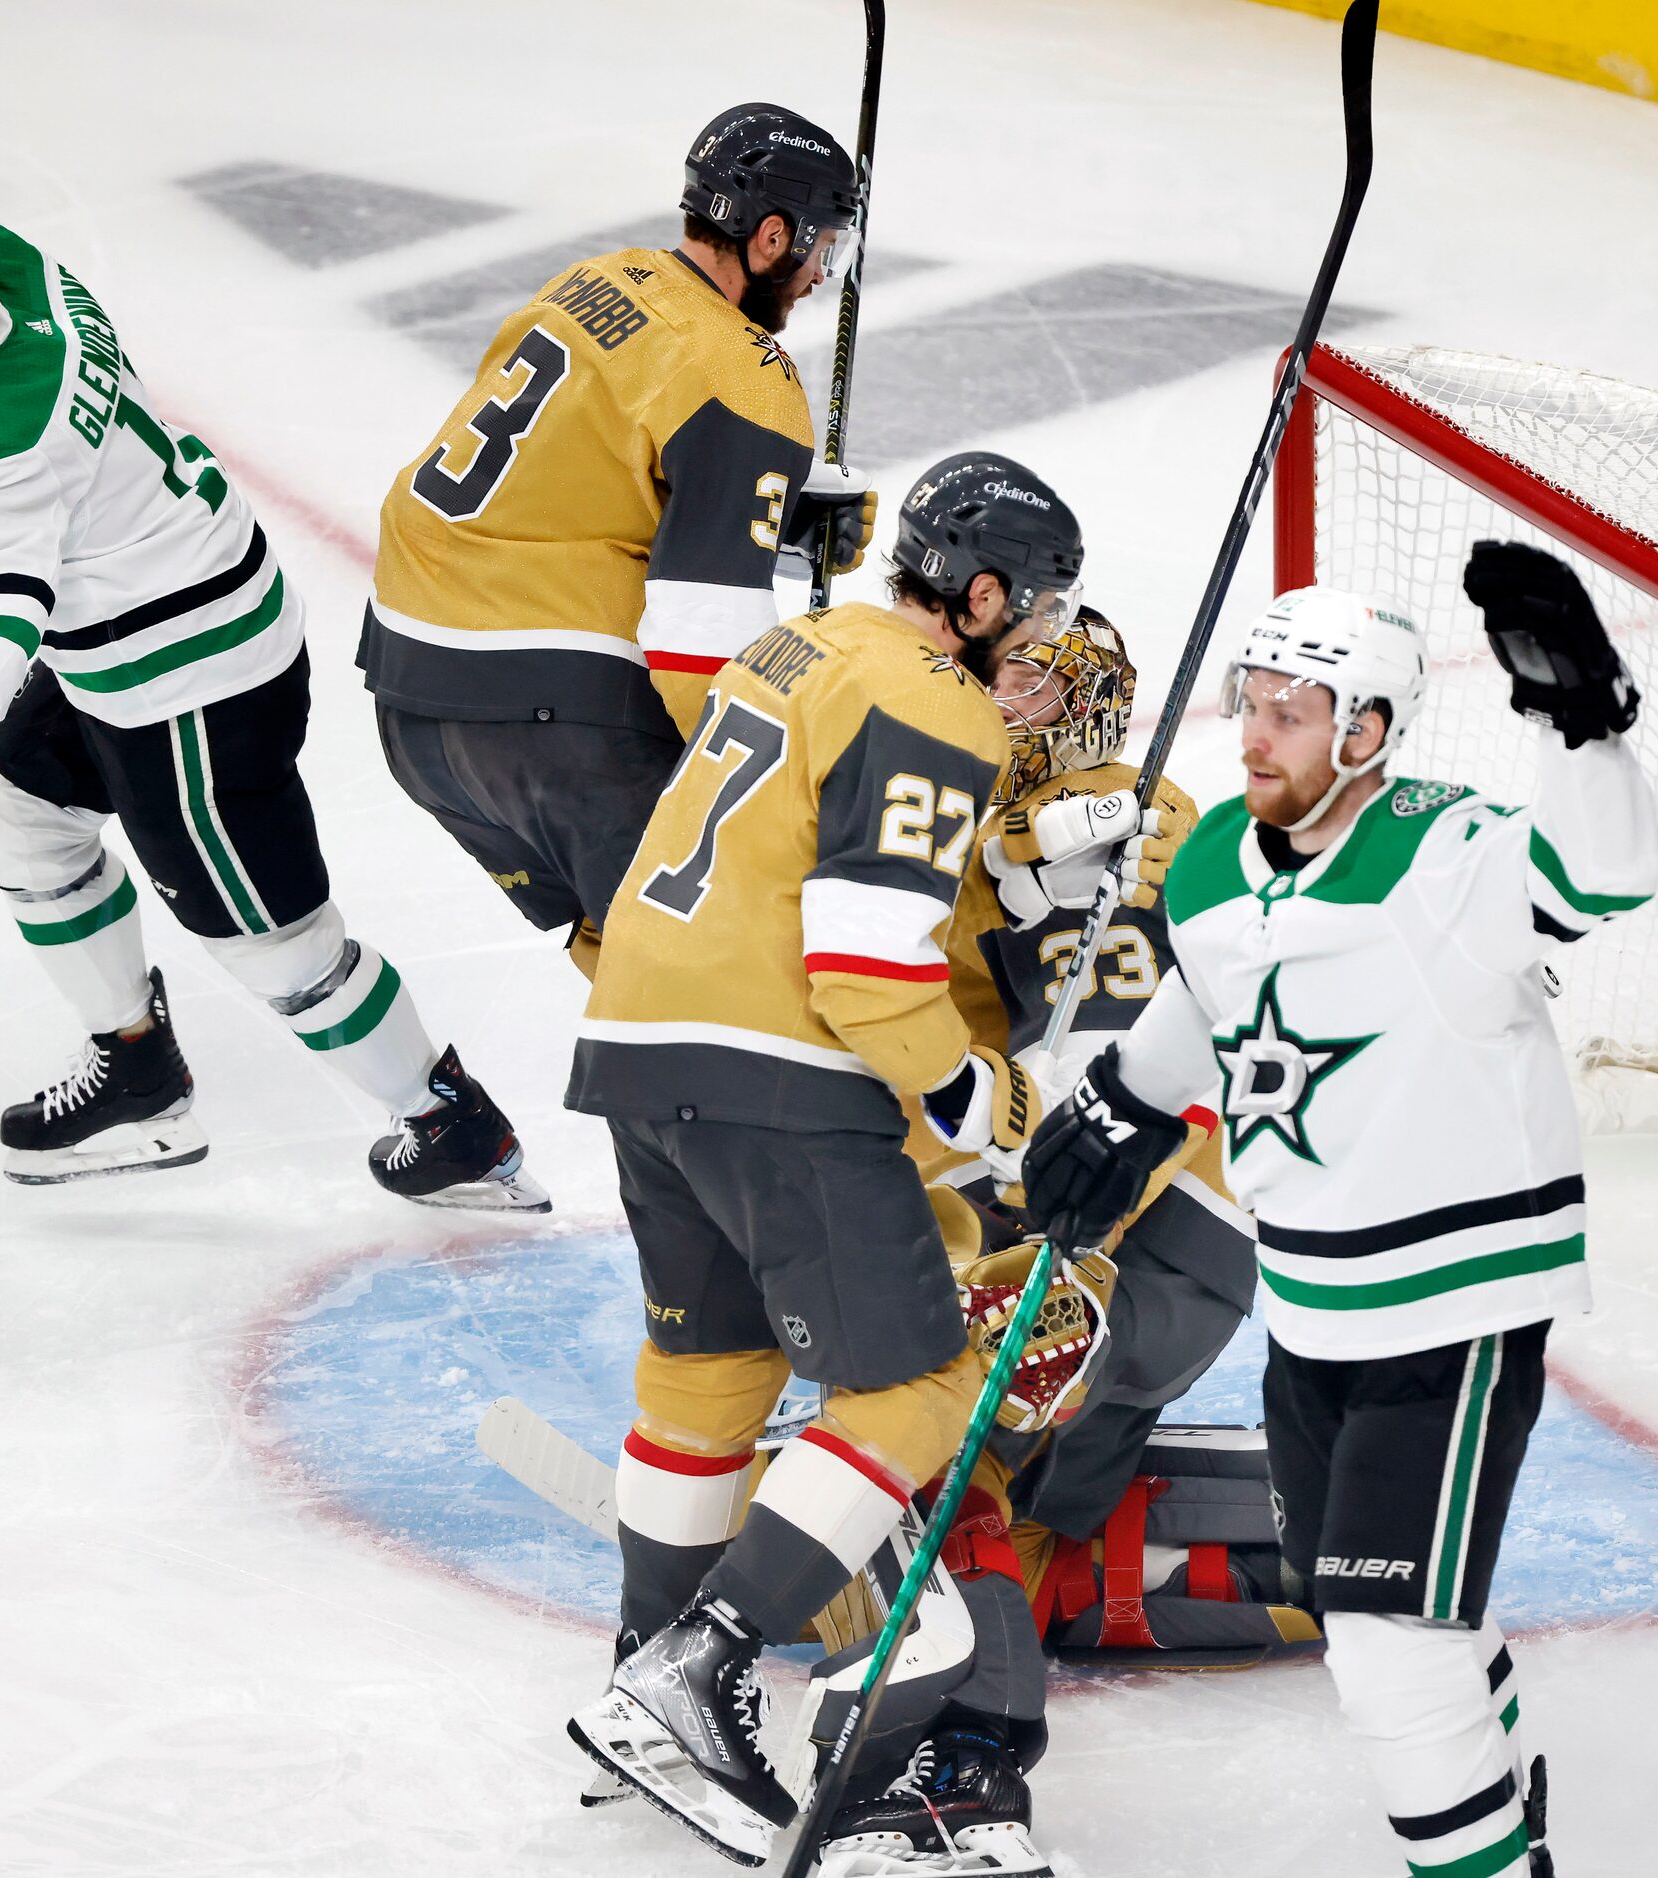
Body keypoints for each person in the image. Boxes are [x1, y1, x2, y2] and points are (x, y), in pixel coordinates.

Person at [0, 109, 539, 1205]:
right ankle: (139, 1070)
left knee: (272, 949)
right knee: (22, 818)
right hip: (144, 623)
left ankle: (452, 1130)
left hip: (186, 687)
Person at [1021, 548, 1658, 1878]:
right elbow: (1214, 998)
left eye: (1290, 709)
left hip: (1451, 1309)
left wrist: (1581, 727)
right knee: (1387, 1615)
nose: (1253, 730)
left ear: (1367, 731)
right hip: (1311, 1312)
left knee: (1384, 1645)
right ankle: (1498, 1809)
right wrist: (1127, 1101)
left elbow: (1604, 875)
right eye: (1249, 697)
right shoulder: (1211, 854)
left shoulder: (1443, 852)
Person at [560, 454, 1084, 1863]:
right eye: (1027, 611)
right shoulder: (932, 699)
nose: (1033, 639)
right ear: (975, 596)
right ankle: (696, 1669)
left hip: (640, 1040)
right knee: (918, 1380)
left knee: (707, 1373)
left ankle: (638, 1675)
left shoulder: (795, 643)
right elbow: (860, 962)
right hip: (778, 1071)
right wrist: (978, 1091)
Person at [812, 612, 1311, 1878]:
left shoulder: (1110, 823)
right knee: (1006, 1498)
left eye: (1025, 677)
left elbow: (1107, 1066)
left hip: (1134, 1242)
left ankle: (970, 1748)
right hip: (1124, 1263)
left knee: (956, 1402)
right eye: (993, 673)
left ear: (1087, 698)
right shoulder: (1066, 831)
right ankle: (986, 1651)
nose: (998, 695)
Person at [361, 102, 874, 981]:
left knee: (631, 943)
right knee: (729, 973)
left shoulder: (598, 280)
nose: (821, 273)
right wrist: (784, 798)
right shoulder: (744, 375)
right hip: (550, 724)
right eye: (822, 248)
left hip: (411, 703)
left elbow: (574, 467)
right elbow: (698, 644)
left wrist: (770, 516)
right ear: (771, 235)